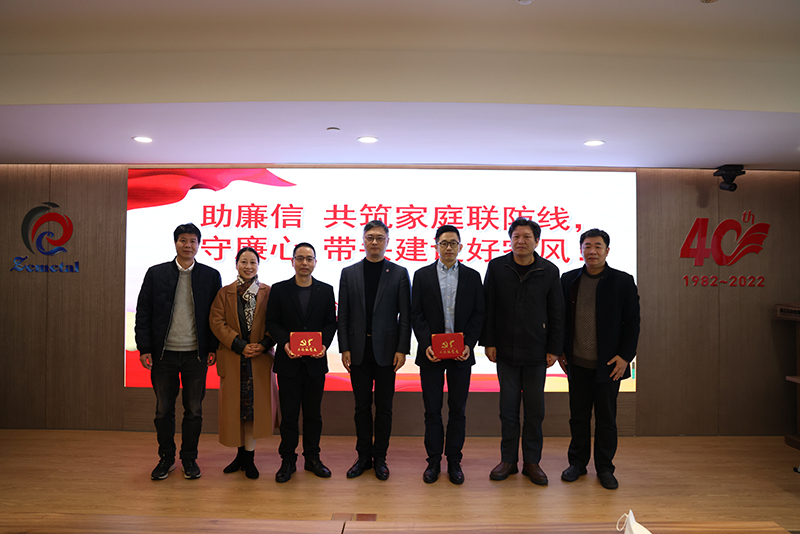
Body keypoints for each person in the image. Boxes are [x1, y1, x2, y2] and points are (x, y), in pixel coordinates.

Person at [481, 217, 565, 485]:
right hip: (505, 351)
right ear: (510, 240)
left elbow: (557, 312)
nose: (521, 241)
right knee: (507, 410)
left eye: (527, 236)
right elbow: (488, 307)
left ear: (536, 241)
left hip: (536, 352)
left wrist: (554, 348)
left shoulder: (549, 270)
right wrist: (489, 342)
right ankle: (508, 460)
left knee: (534, 411)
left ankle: (532, 462)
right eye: (516, 236)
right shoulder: (497, 267)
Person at [135, 223, 222, 480]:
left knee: (194, 410)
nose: (188, 245)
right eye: (183, 240)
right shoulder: (156, 273)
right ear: (175, 243)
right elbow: (144, 312)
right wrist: (144, 348)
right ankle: (166, 457)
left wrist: (213, 347)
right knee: (163, 410)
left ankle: (189, 459)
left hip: (196, 354)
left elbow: (216, 316)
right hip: (164, 355)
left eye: (193, 241)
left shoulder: (210, 275)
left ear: (199, 245)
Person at [559, 229, 640, 490]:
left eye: (597, 246)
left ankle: (605, 468)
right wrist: (560, 350)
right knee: (578, 417)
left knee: (606, 419)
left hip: (609, 365)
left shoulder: (622, 281)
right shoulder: (568, 279)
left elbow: (632, 322)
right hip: (577, 363)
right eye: (587, 246)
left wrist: (626, 357)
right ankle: (577, 463)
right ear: (580, 250)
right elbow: (560, 318)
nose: (592, 251)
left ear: (607, 250)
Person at [411, 225, 485, 484]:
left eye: (453, 243)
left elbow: (479, 314)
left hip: (460, 354)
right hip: (431, 354)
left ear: (461, 247)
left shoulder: (473, 276)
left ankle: (454, 461)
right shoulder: (422, 275)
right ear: (436, 246)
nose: (449, 247)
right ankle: (433, 461)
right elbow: (416, 314)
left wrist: (469, 344)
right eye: (444, 243)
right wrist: (426, 343)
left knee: (457, 410)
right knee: (432, 410)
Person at [338, 220, 411, 480]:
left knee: (384, 408)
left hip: (387, 352)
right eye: (370, 237)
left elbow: (405, 316)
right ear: (363, 240)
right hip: (358, 350)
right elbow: (343, 315)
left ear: (387, 241)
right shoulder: (349, 273)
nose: (375, 242)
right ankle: (362, 457)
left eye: (380, 238)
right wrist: (344, 348)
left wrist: (402, 349)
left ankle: (380, 458)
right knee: (361, 407)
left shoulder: (399, 273)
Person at [266, 242, 337, 483]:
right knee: (288, 416)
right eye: (300, 258)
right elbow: (272, 322)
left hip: (315, 364)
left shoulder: (325, 290)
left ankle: (312, 458)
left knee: (313, 415)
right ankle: (287, 460)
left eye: (309, 258)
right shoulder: (279, 289)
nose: (304, 263)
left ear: (315, 262)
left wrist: (324, 344)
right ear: (292, 261)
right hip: (289, 363)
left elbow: (330, 323)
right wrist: (285, 342)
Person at [209, 247, 276, 480]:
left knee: (253, 413)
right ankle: (239, 456)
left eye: (253, 262)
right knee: (236, 411)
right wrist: (239, 345)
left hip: (259, 359)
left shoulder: (268, 292)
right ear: (236, 264)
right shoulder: (224, 293)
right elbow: (216, 322)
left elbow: (276, 321)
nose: (248, 266)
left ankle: (249, 458)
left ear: (258, 265)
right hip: (234, 357)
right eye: (244, 262)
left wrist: (264, 344)